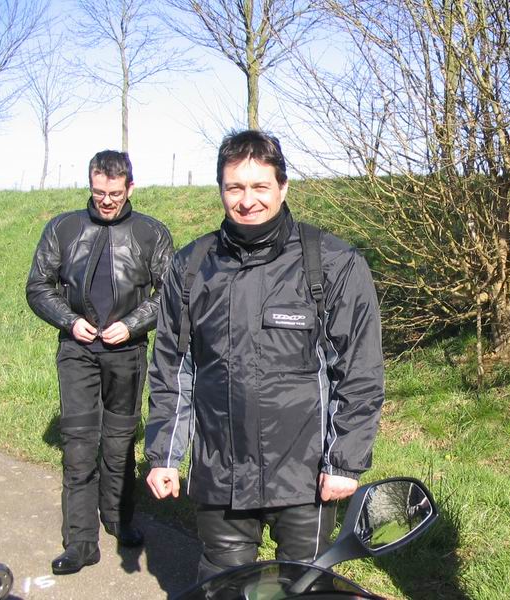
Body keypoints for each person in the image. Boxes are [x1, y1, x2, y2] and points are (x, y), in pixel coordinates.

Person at [145, 130, 384, 581]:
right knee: (223, 585)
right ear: (221, 189)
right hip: (220, 471)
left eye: (260, 186)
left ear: (283, 187)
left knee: (303, 584)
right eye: (234, 187)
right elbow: (173, 370)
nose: (247, 200)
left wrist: (344, 462)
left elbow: (358, 371)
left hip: (305, 476)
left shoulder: (331, 263)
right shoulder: (191, 266)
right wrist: (164, 456)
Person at [26, 151, 174, 575]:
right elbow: (38, 286)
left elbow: (171, 292)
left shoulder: (151, 232)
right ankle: (80, 541)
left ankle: (118, 519)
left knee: (119, 442)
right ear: (90, 186)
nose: (106, 200)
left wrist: (132, 324)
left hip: (128, 353)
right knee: (78, 446)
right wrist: (69, 321)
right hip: (77, 352)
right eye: (98, 192)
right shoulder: (63, 228)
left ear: (130, 188)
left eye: (114, 193)